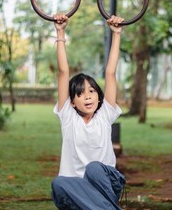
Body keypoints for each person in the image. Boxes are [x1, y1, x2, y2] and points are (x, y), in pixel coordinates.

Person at [51, 13, 126, 210]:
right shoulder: (68, 118)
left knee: (93, 169)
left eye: (92, 91)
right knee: (58, 183)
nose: (88, 96)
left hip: (106, 185)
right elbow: (63, 72)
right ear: (72, 102)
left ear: (99, 97)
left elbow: (110, 72)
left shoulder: (105, 116)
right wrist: (60, 32)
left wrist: (116, 34)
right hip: (79, 191)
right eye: (81, 93)